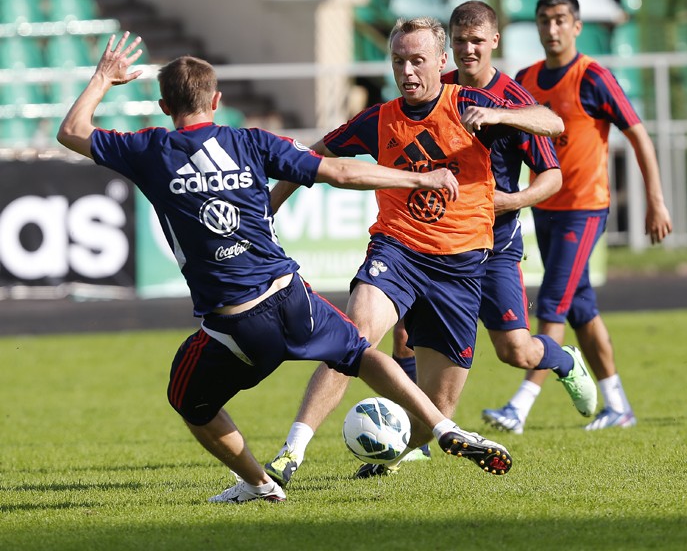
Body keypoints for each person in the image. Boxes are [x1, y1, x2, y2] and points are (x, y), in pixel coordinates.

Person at [56, 32, 517, 505]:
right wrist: (420, 176)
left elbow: (71, 131)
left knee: (187, 399)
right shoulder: (253, 142)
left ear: (162, 105)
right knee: (359, 352)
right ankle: (442, 427)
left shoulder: (150, 150)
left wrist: (102, 79)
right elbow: (340, 171)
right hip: (292, 297)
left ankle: (259, 484)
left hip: (237, 323)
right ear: (217, 100)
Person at [263, 15, 597, 486]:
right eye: (399, 61)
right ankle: (290, 453)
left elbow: (553, 121)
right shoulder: (379, 118)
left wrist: (500, 116)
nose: (408, 71)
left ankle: (393, 448)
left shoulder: (475, 105)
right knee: (351, 334)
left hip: (463, 267)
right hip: (396, 251)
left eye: (418, 60)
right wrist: (268, 207)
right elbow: (311, 158)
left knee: (446, 403)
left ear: (442, 62)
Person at [390, 0, 597, 459]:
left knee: (514, 350)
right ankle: (409, 439)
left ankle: (563, 360)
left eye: (477, 41)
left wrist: (510, 198)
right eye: (460, 41)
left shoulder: (513, 100)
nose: (468, 49)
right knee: (403, 329)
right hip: (436, 246)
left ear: (494, 42)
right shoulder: (436, 89)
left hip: (494, 245)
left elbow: (552, 175)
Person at [482, 0, 673, 433]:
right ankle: (618, 405)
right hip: (543, 207)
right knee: (581, 307)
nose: (552, 28)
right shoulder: (525, 79)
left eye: (561, 20)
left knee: (552, 302)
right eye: (545, 20)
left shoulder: (593, 76)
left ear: (577, 26)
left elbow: (638, 135)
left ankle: (519, 407)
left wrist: (656, 200)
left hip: (585, 208)